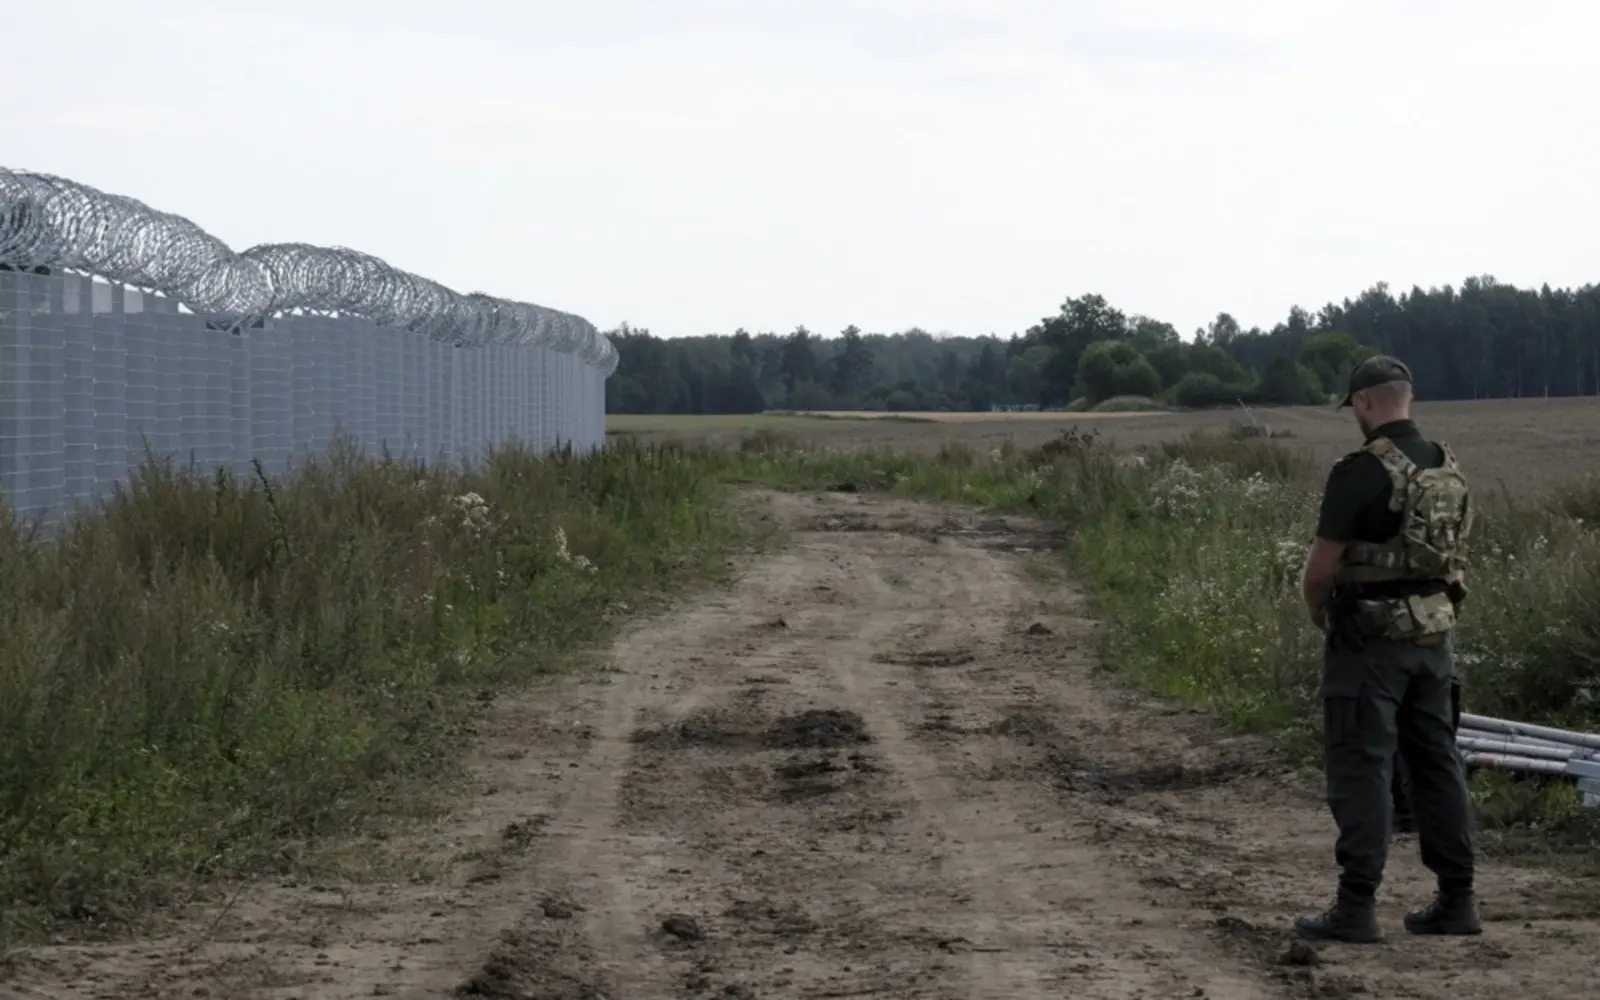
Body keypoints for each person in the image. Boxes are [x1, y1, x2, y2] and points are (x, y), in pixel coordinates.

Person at [1294, 355, 1481, 943]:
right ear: (1409, 398)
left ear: (1366, 402)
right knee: (1438, 764)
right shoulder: (1447, 465)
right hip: (1434, 636)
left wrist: (1320, 615)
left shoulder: (1359, 471)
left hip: (1369, 641)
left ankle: (1356, 907)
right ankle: (1458, 900)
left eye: (1353, 406)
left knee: (1363, 765)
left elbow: (1320, 571)